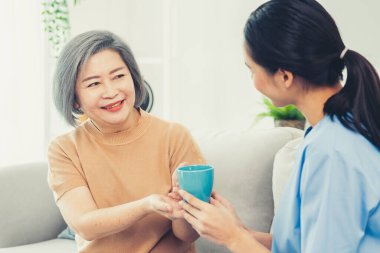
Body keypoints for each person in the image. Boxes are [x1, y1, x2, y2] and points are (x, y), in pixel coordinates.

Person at [176, 0, 380, 252]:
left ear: (284, 76)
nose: (253, 81)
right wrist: (239, 230)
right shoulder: (327, 131)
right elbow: (302, 245)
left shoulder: (334, 151)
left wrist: (233, 238)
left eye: (252, 70)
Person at [47, 30, 205, 253]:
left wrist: (185, 203)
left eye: (119, 76)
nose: (111, 92)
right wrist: (147, 205)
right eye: (93, 84)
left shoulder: (174, 136)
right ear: (74, 99)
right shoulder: (64, 149)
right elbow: (85, 225)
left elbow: (187, 235)